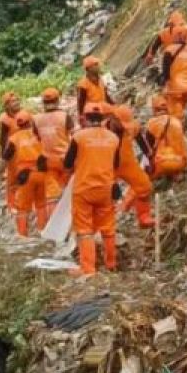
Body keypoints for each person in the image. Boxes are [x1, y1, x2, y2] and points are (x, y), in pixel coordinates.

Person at [65, 102, 121, 276]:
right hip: (105, 188)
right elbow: (116, 164)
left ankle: (88, 268)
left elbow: (67, 163)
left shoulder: (79, 137)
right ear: (103, 118)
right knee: (108, 227)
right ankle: (111, 264)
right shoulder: (113, 138)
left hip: (84, 189)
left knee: (84, 230)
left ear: (85, 118)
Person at [2, 113, 57, 235]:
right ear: (30, 121)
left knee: (22, 208)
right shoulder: (38, 134)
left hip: (25, 176)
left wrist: (3, 172)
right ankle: (42, 230)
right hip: (41, 173)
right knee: (41, 204)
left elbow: (6, 156)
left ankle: (22, 236)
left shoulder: (14, 138)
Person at [108, 105, 155, 229]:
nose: (123, 127)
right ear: (113, 119)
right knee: (106, 196)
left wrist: (150, 157)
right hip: (107, 167)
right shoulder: (102, 130)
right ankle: (107, 227)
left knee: (144, 186)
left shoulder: (133, 126)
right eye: (120, 124)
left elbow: (141, 141)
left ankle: (144, 217)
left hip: (128, 164)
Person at [34, 88, 73, 192]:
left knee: (52, 193)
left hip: (47, 161)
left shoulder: (36, 119)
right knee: (68, 192)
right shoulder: (65, 116)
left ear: (43, 102)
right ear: (57, 100)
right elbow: (73, 137)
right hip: (65, 159)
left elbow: (37, 138)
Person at [143, 96, 187, 180]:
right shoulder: (176, 120)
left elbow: (147, 147)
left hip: (164, 163)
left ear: (154, 109)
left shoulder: (152, 123)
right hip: (183, 161)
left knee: (145, 172)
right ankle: (175, 172)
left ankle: (168, 171)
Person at [0, 92, 24, 210]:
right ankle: (13, 206)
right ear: (7, 105)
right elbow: (2, 142)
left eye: (17, 100)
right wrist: (3, 162)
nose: (17, 102)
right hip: (11, 155)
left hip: (25, 151)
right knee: (13, 182)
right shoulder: (4, 120)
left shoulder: (24, 114)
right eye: (13, 101)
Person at [76, 56, 113, 123]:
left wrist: (115, 106)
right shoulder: (83, 84)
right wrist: (81, 115)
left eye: (97, 64)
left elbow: (106, 96)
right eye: (95, 64)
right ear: (89, 68)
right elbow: (80, 102)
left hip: (103, 111)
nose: (98, 66)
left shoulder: (100, 79)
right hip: (92, 114)